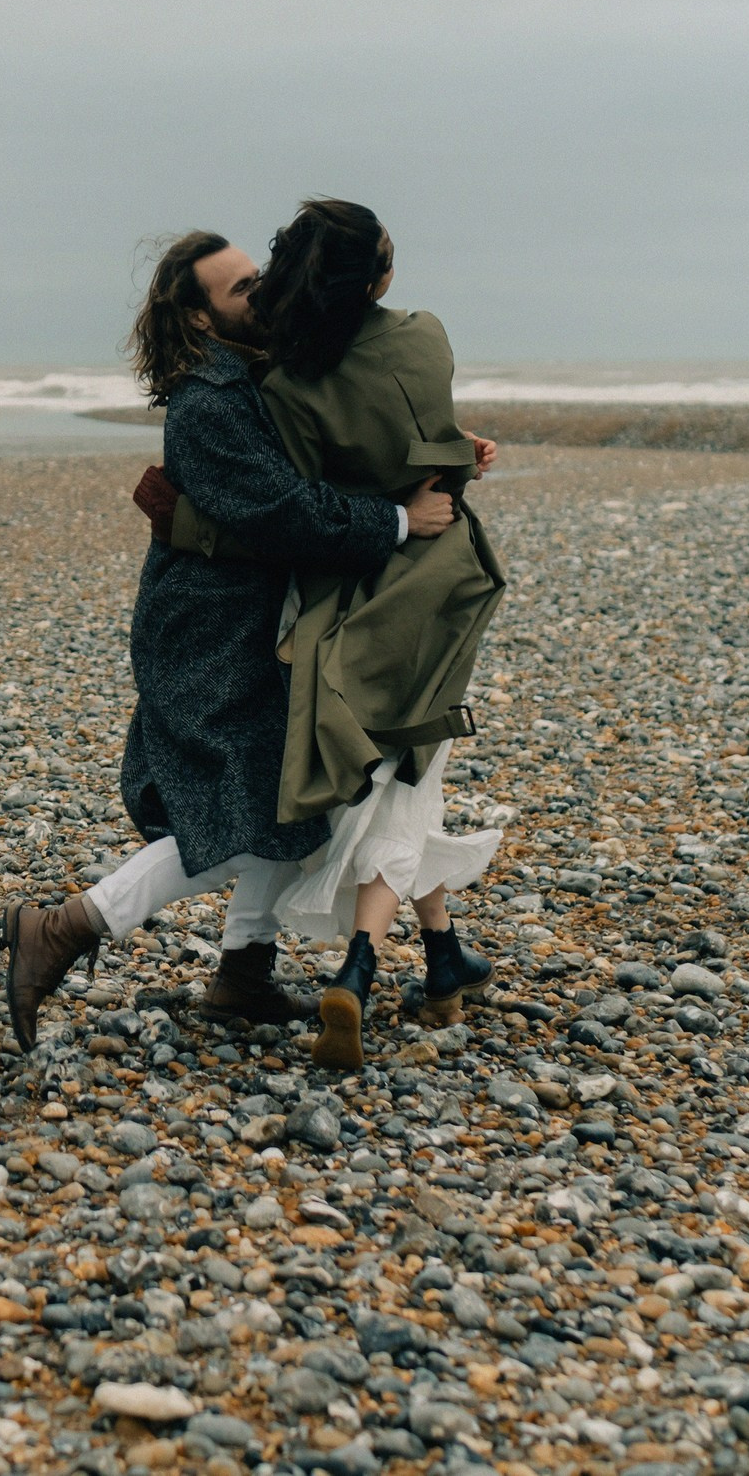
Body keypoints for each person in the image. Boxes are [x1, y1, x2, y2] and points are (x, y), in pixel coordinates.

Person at [2, 231, 482, 1052]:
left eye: (261, 283)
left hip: (258, 620)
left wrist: (443, 458)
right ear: (196, 318)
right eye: (241, 291)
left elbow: (327, 464)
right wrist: (402, 519)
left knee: (282, 799)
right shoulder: (210, 403)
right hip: (211, 630)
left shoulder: (254, 375)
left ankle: (243, 975)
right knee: (247, 810)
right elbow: (287, 511)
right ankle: (66, 925)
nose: (262, 299)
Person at [252, 198, 509, 1070]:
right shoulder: (424, 337)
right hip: (436, 581)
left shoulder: (285, 385)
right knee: (407, 769)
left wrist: (429, 469)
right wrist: (443, 467)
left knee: (405, 767)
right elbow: (421, 445)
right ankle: (359, 970)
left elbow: (310, 497)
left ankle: (442, 959)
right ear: (379, 277)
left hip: (346, 595)